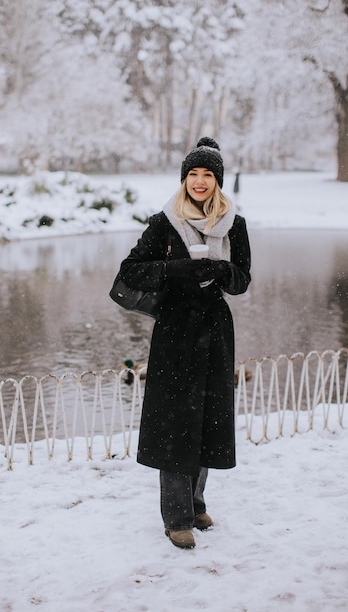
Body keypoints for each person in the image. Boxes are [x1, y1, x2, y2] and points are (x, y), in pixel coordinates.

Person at [114, 137, 251, 549]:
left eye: (208, 174)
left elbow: (243, 279)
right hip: (175, 331)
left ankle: (194, 503)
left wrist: (221, 271)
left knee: (207, 417)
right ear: (184, 179)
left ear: (218, 181)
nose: (200, 181)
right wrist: (177, 269)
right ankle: (176, 518)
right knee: (176, 420)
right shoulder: (164, 222)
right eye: (193, 174)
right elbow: (131, 271)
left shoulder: (235, 225)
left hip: (215, 329)